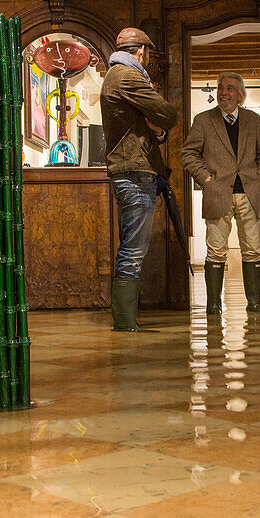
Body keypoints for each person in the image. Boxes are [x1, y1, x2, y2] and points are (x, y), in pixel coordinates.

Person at [100, 27, 178, 331]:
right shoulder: (128, 76)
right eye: (148, 54)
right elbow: (167, 113)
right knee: (132, 252)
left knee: (131, 249)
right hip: (134, 174)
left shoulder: (117, 75)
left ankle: (126, 321)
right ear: (141, 52)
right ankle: (124, 323)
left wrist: (154, 128)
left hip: (131, 172)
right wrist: (160, 120)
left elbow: (147, 127)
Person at [182, 72, 260, 315]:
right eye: (221, 88)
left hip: (249, 193)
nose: (223, 92)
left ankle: (254, 303)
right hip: (218, 192)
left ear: (240, 95)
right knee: (216, 250)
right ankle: (213, 305)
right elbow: (188, 154)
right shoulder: (203, 120)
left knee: (252, 250)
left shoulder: (253, 120)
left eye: (230, 88)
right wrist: (207, 180)